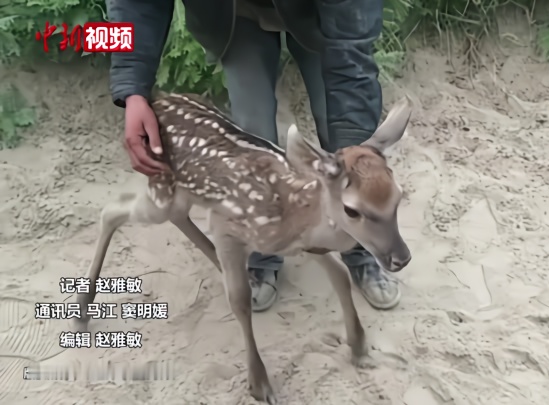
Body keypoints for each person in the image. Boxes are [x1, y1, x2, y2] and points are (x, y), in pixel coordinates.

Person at [106, 0, 402, 312]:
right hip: (236, 12)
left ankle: (360, 249)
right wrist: (133, 88)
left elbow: (351, 62)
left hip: (322, 12)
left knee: (340, 127)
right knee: (252, 132)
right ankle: (262, 252)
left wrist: (357, 171)